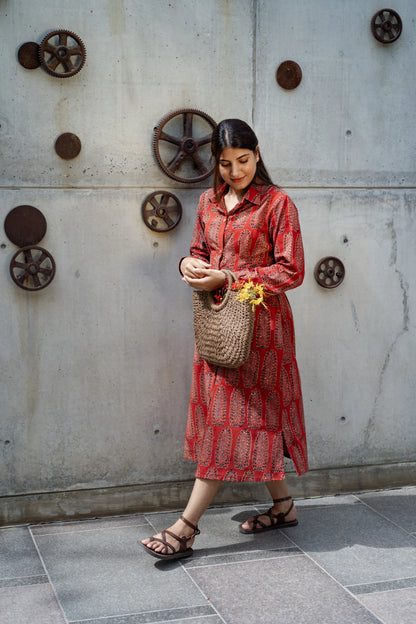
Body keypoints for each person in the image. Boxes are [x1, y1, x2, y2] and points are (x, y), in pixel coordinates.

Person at [141, 119, 308, 560]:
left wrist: (232, 276)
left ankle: (186, 527)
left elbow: (291, 270)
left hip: (262, 331)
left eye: (243, 161)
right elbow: (199, 251)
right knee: (242, 417)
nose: (235, 172)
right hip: (217, 325)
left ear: (257, 154)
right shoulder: (208, 202)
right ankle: (284, 507)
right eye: (226, 163)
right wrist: (186, 266)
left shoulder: (277, 203)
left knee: (231, 423)